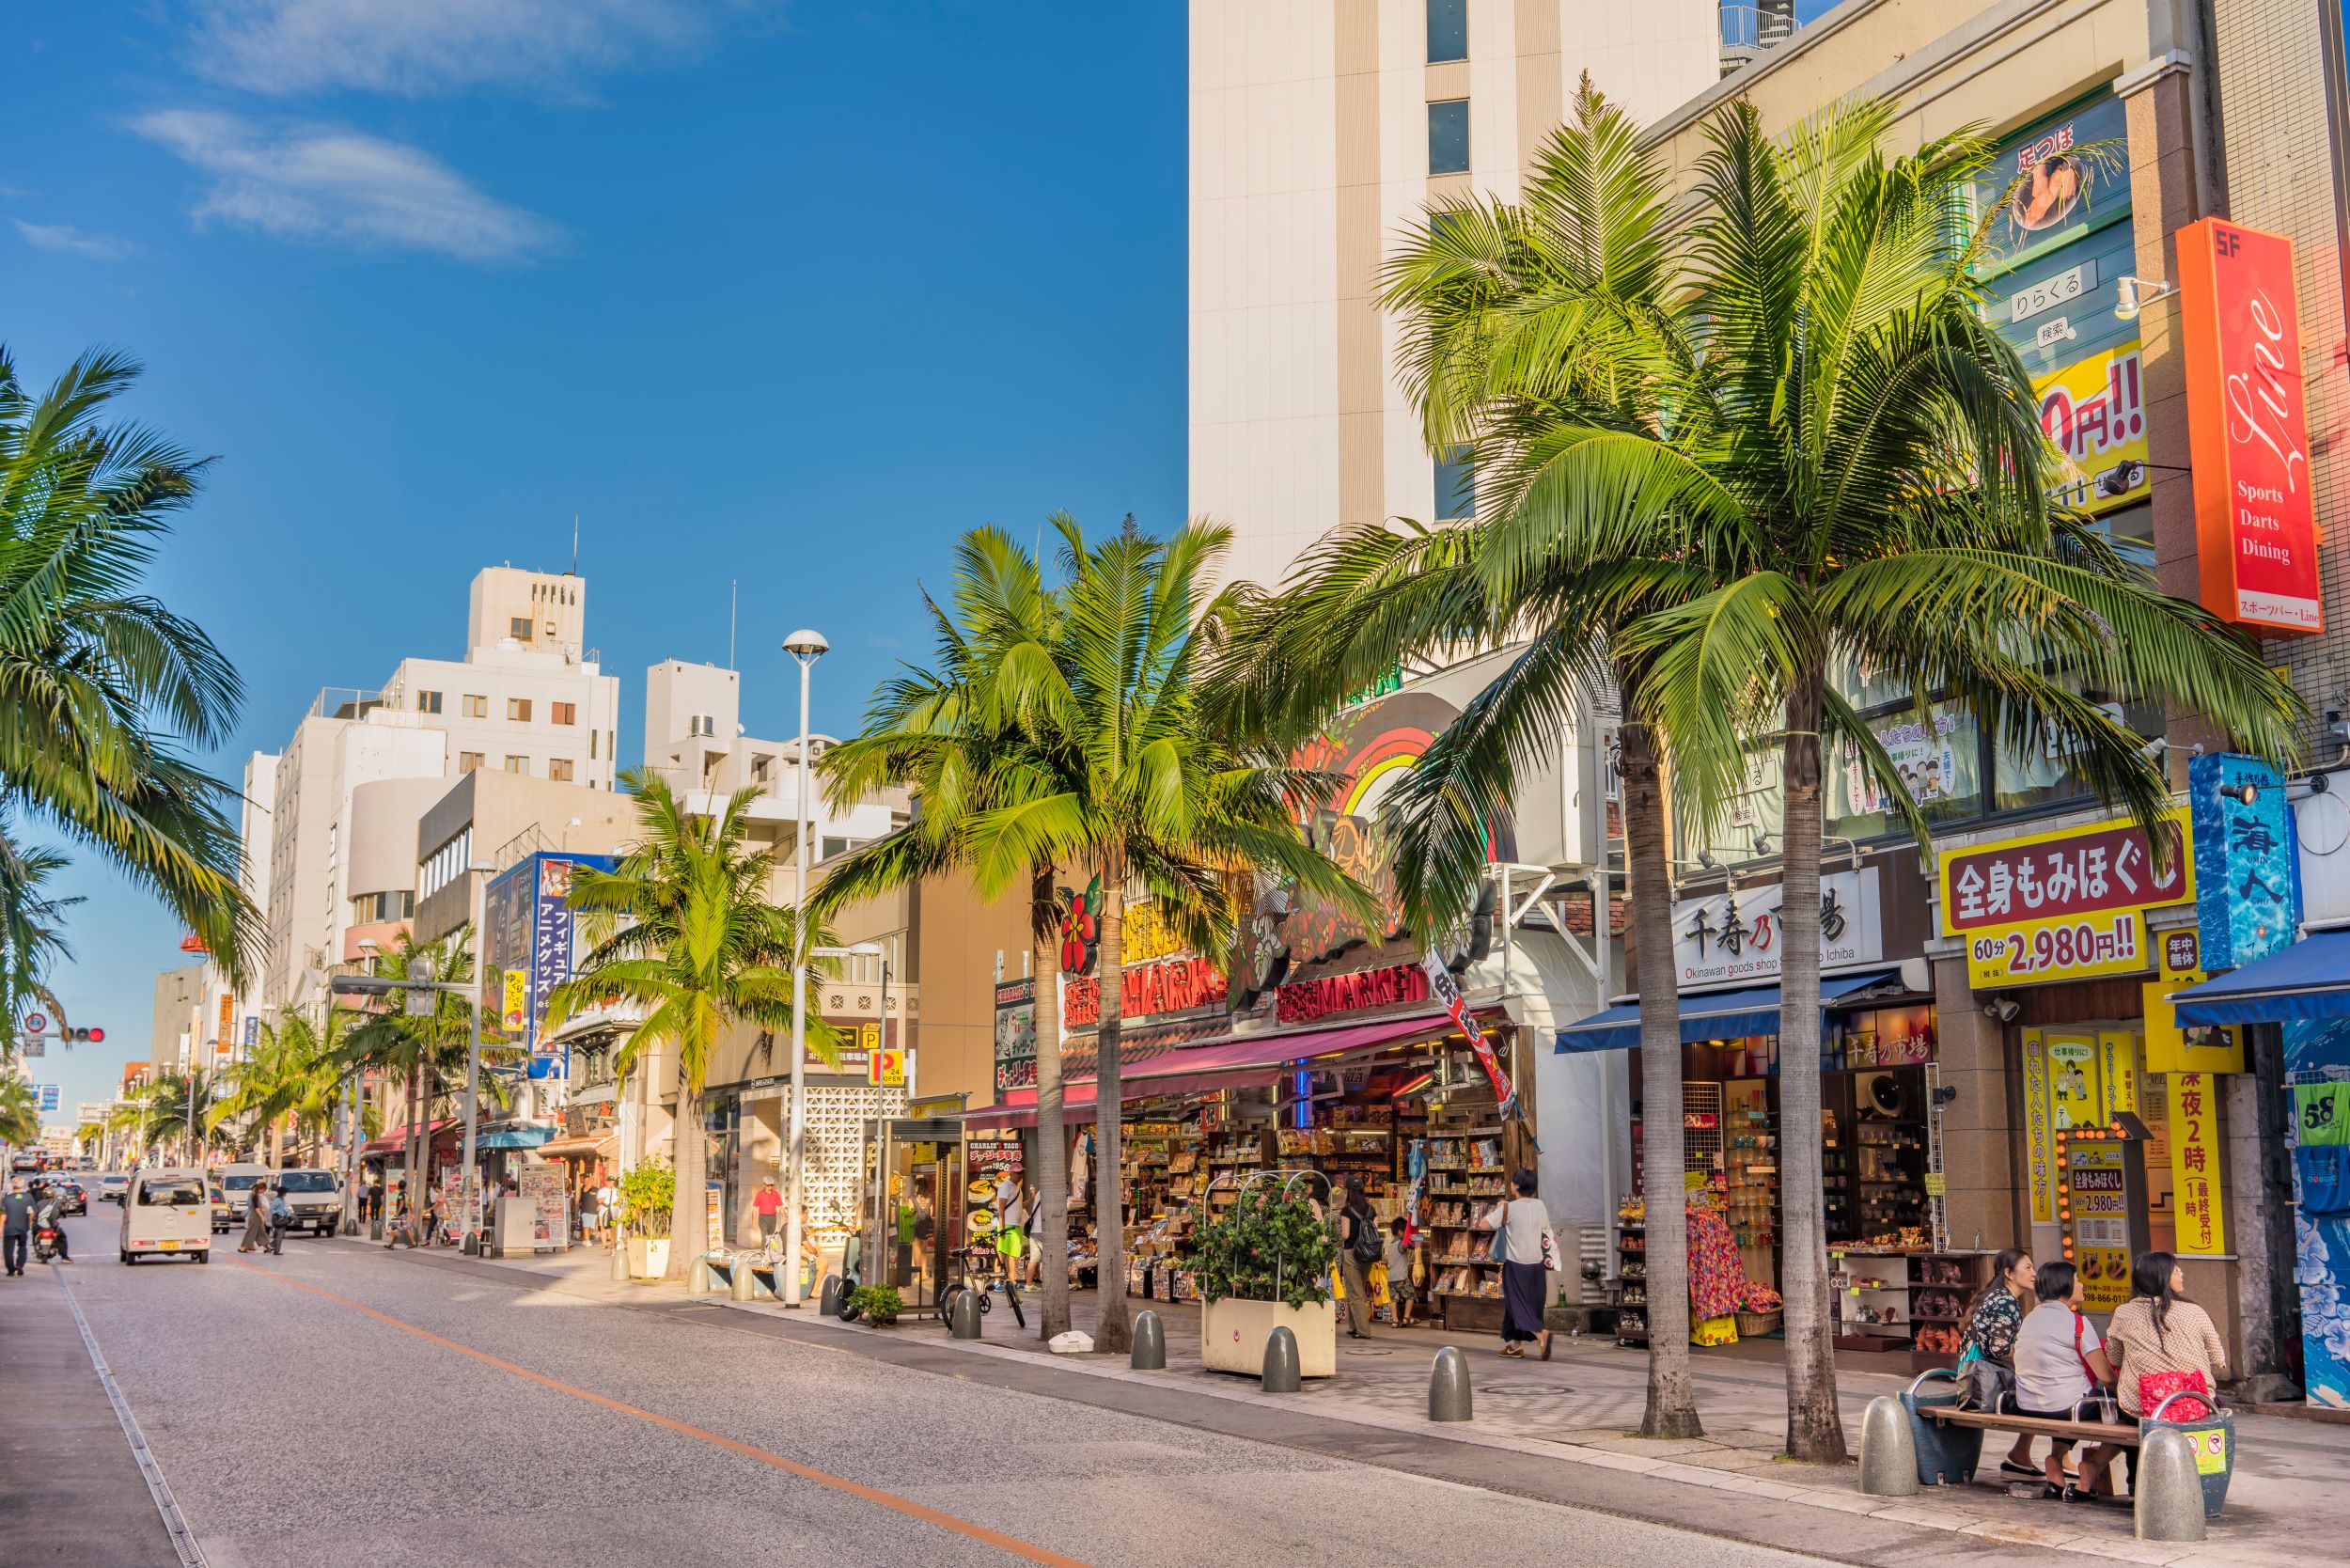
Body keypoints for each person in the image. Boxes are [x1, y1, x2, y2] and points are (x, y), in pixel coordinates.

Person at [2013, 1260, 2122, 1502]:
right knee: (2125, 1414)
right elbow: (2106, 1376)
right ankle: (2092, 1467)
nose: (2082, 1285)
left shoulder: (2030, 1319)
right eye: (2076, 1280)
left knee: (2068, 1399)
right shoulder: (2077, 1322)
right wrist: (2122, 1390)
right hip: (2066, 1407)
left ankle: (2055, 1461)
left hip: (2027, 1405)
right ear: (2063, 1285)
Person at [2107, 1251, 2229, 1424]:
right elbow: (2218, 1358)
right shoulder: (2194, 1311)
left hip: (2140, 1410)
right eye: (2176, 1271)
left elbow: (2114, 1358)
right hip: (2195, 1404)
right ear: (2161, 1278)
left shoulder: (2123, 1313)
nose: (2181, 1274)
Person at [1958, 1247, 2042, 1478]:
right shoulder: (2006, 1302)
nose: (2034, 1273)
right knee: (2044, 1394)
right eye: (2028, 1267)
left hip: (1972, 1378)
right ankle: (2043, 1456)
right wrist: (2030, 1359)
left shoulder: (1993, 1297)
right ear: (2009, 1273)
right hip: (1984, 1383)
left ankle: (2021, 1454)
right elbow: (1999, 1348)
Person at [1488, 1169, 1553, 1359]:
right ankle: (1516, 1346)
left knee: (1517, 1302)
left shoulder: (1510, 1208)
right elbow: (1545, 1229)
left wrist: (1500, 1210)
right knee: (1521, 1303)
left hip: (1516, 1263)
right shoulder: (1540, 1205)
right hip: (1537, 1264)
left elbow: (1484, 1224)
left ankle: (1542, 1336)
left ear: (1516, 1186)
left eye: (1512, 1182)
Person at [1336, 1179, 1379, 1340]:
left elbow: (1346, 1235)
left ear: (1348, 1192)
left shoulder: (1347, 1211)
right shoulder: (1371, 1210)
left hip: (1352, 1253)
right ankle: (1354, 1326)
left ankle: (1363, 1331)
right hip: (1368, 1255)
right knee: (1357, 1290)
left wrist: (1338, 1233)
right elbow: (1374, 1230)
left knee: (1355, 1293)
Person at [1384, 1217, 1418, 1328]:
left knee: (1393, 1299)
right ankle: (1406, 1317)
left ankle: (1394, 1320)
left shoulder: (1391, 1245)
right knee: (1411, 1295)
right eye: (1405, 1232)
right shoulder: (1400, 1244)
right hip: (1400, 1278)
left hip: (1390, 1278)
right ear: (1400, 1232)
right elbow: (1406, 1244)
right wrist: (1417, 1235)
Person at [996, 1183, 1028, 1288]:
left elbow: (1019, 1207)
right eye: (1017, 1172)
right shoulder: (1005, 1186)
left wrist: (1031, 1200)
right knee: (1001, 1254)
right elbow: (1001, 1208)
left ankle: (1012, 1282)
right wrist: (1001, 1228)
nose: (1019, 1175)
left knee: (1012, 1256)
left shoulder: (1018, 1189)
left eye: (1021, 1172)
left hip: (1016, 1226)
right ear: (1011, 1173)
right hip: (1006, 1225)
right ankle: (997, 1282)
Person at [3, 1179, 32, 1277]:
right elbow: (32, 1213)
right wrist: (30, 1223)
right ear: (23, 1185)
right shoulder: (28, 1197)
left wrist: (1, 1227)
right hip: (23, 1227)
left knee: (8, 1250)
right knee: (22, 1247)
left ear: (12, 1185)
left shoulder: (6, 1199)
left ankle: (11, 1270)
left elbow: (3, 1215)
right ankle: (19, 1265)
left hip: (9, 1228)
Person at [240, 1177, 270, 1253]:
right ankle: (243, 1247)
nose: (263, 1192)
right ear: (261, 1189)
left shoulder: (258, 1195)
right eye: (263, 1190)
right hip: (255, 1216)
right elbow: (256, 1208)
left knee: (261, 1231)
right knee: (251, 1232)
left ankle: (267, 1246)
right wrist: (262, 1216)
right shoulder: (254, 1195)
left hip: (257, 1216)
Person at [754, 1178, 783, 1247]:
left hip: (772, 1217)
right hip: (763, 1218)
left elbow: (781, 1206)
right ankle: (764, 1253)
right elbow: (754, 1208)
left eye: (771, 1185)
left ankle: (774, 1250)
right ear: (764, 1185)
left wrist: (784, 1216)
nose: (770, 1187)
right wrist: (753, 1222)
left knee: (771, 1236)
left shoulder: (776, 1194)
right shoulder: (759, 1194)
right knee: (765, 1236)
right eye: (768, 1185)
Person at [265, 1184, 292, 1255]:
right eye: (285, 1192)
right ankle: (276, 1250)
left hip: (283, 1219)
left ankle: (270, 1246)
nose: (286, 1194)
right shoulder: (277, 1200)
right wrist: (277, 1215)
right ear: (282, 1193)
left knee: (280, 1235)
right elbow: (271, 1209)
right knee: (280, 1235)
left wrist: (289, 1216)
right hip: (277, 1220)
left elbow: (285, 1209)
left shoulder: (282, 1200)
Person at [598, 1175, 620, 1250]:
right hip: (603, 1213)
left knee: (613, 1228)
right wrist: (608, 1196)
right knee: (603, 1227)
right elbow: (599, 1201)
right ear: (606, 1182)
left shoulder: (616, 1191)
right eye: (610, 1182)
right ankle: (604, 1244)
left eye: (613, 1182)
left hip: (613, 1213)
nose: (612, 1184)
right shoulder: (601, 1191)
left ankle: (612, 1244)